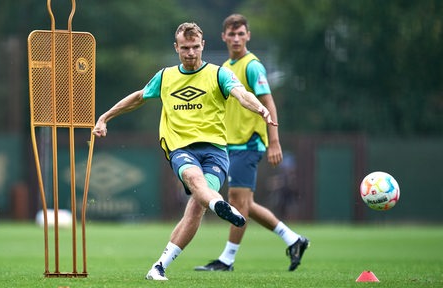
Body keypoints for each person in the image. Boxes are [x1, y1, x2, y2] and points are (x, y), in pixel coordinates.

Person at [92, 22, 277, 281]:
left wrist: (259, 108)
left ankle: (158, 266)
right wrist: (105, 117)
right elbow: (138, 97)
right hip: (180, 147)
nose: (190, 53)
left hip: (215, 151)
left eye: (195, 47)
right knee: (193, 178)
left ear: (203, 46)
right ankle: (217, 203)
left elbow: (241, 93)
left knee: (195, 209)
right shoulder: (166, 76)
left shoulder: (218, 74)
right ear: (176, 48)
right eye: (185, 48)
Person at [194, 14, 309, 273]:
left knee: (238, 202)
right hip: (230, 145)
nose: (236, 38)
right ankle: (294, 240)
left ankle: (227, 260)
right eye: (231, 34)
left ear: (248, 36)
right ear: (223, 36)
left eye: (241, 34)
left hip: (248, 143)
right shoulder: (225, 67)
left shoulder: (252, 66)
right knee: (245, 203)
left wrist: (274, 142)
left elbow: (269, 103)